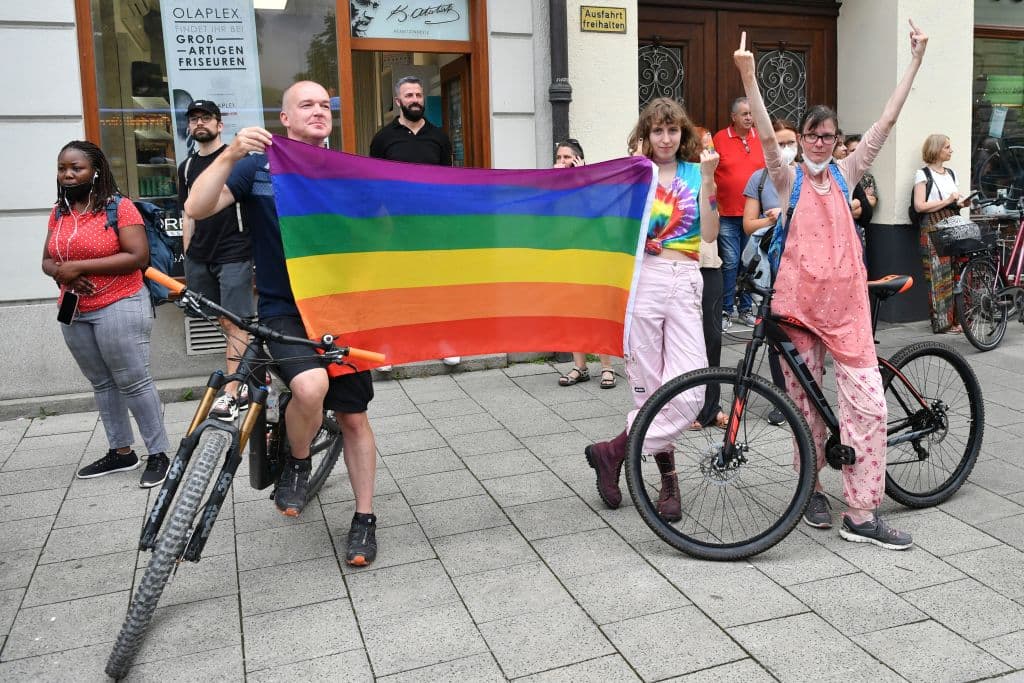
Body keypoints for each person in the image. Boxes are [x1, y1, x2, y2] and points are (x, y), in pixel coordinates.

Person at [733, 21, 932, 550]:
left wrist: (914, 61)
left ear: (838, 140)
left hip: (847, 310)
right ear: (801, 138)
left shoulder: (847, 171)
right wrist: (749, 76)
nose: (822, 142)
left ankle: (862, 513)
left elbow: (887, 121)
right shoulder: (785, 176)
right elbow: (765, 139)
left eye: (830, 135)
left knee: (868, 405)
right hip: (797, 308)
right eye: (812, 134)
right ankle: (811, 490)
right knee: (804, 410)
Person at [185, 81, 380, 566]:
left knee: (354, 418)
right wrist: (229, 154)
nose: (318, 111)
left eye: (324, 104)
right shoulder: (257, 166)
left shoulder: (348, 169)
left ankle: (364, 518)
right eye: (305, 105)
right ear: (285, 119)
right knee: (310, 388)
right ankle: (297, 459)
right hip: (284, 308)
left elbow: (383, 232)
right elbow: (196, 208)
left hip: (344, 312)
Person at [585, 97, 720, 522]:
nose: (665, 138)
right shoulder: (635, 174)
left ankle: (614, 450)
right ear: (646, 134)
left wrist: (712, 183)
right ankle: (668, 483)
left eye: (673, 130)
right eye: (657, 130)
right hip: (643, 282)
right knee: (650, 384)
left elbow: (712, 233)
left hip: (684, 280)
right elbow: (611, 231)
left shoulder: (697, 173)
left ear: (684, 134)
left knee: (690, 389)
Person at [42, 140, 170, 488]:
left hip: (120, 303)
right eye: (62, 168)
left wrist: (77, 267)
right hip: (74, 310)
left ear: (95, 171)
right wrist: (61, 272)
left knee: (133, 380)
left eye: (76, 168)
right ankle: (121, 451)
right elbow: (47, 260)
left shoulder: (119, 207)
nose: (67, 174)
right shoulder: (59, 212)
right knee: (101, 382)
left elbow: (137, 257)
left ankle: (159, 454)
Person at [370, 75, 460, 370]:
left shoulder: (439, 137)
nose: (415, 100)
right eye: (409, 95)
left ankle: (443, 342)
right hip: (397, 229)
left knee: (437, 289)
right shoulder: (383, 139)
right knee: (396, 290)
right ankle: (390, 347)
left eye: (419, 95)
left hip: (433, 228)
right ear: (398, 101)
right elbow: (373, 185)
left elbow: (449, 182)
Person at [178, 99, 255, 421]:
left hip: (234, 253)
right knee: (219, 319)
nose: (200, 124)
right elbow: (187, 213)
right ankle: (249, 373)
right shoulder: (185, 166)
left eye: (206, 118)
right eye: (194, 119)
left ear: (220, 125)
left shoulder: (239, 160)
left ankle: (233, 389)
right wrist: (187, 253)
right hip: (200, 255)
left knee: (236, 321)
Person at [741, 117, 801, 427]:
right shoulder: (759, 179)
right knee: (776, 332)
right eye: (779, 144)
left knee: (804, 333)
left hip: (806, 267)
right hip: (774, 268)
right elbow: (748, 225)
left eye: (790, 142)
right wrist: (772, 219)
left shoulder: (808, 177)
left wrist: (792, 214)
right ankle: (784, 397)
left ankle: (806, 390)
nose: (786, 149)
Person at [552, 139, 616, 389]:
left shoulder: (591, 185)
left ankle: (607, 367)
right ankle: (580, 366)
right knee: (572, 312)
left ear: (579, 160)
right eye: (558, 157)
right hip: (565, 257)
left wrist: (581, 177)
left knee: (597, 312)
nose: (562, 162)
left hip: (592, 257)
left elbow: (597, 214)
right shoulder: (553, 187)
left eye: (567, 157)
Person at [713, 96, 765, 331]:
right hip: (726, 212)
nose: (749, 117)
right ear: (733, 117)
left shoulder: (761, 139)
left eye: (751, 113)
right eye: (744, 113)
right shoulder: (720, 139)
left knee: (749, 263)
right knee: (731, 262)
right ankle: (726, 309)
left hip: (753, 216)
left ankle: (745, 309)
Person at [913, 134, 972, 334]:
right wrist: (948, 201)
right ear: (937, 149)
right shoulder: (923, 174)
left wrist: (962, 203)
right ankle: (942, 323)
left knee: (956, 272)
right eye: (947, 147)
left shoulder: (952, 174)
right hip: (932, 227)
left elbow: (953, 201)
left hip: (952, 225)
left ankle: (957, 321)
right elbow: (919, 205)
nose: (951, 150)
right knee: (938, 275)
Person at [690, 126, 727, 430]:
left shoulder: (709, 180)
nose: (711, 153)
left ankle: (712, 406)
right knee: (687, 341)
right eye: (704, 147)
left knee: (712, 337)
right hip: (684, 267)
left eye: (712, 147)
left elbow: (714, 215)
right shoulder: (680, 179)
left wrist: (710, 181)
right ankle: (688, 405)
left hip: (710, 265)